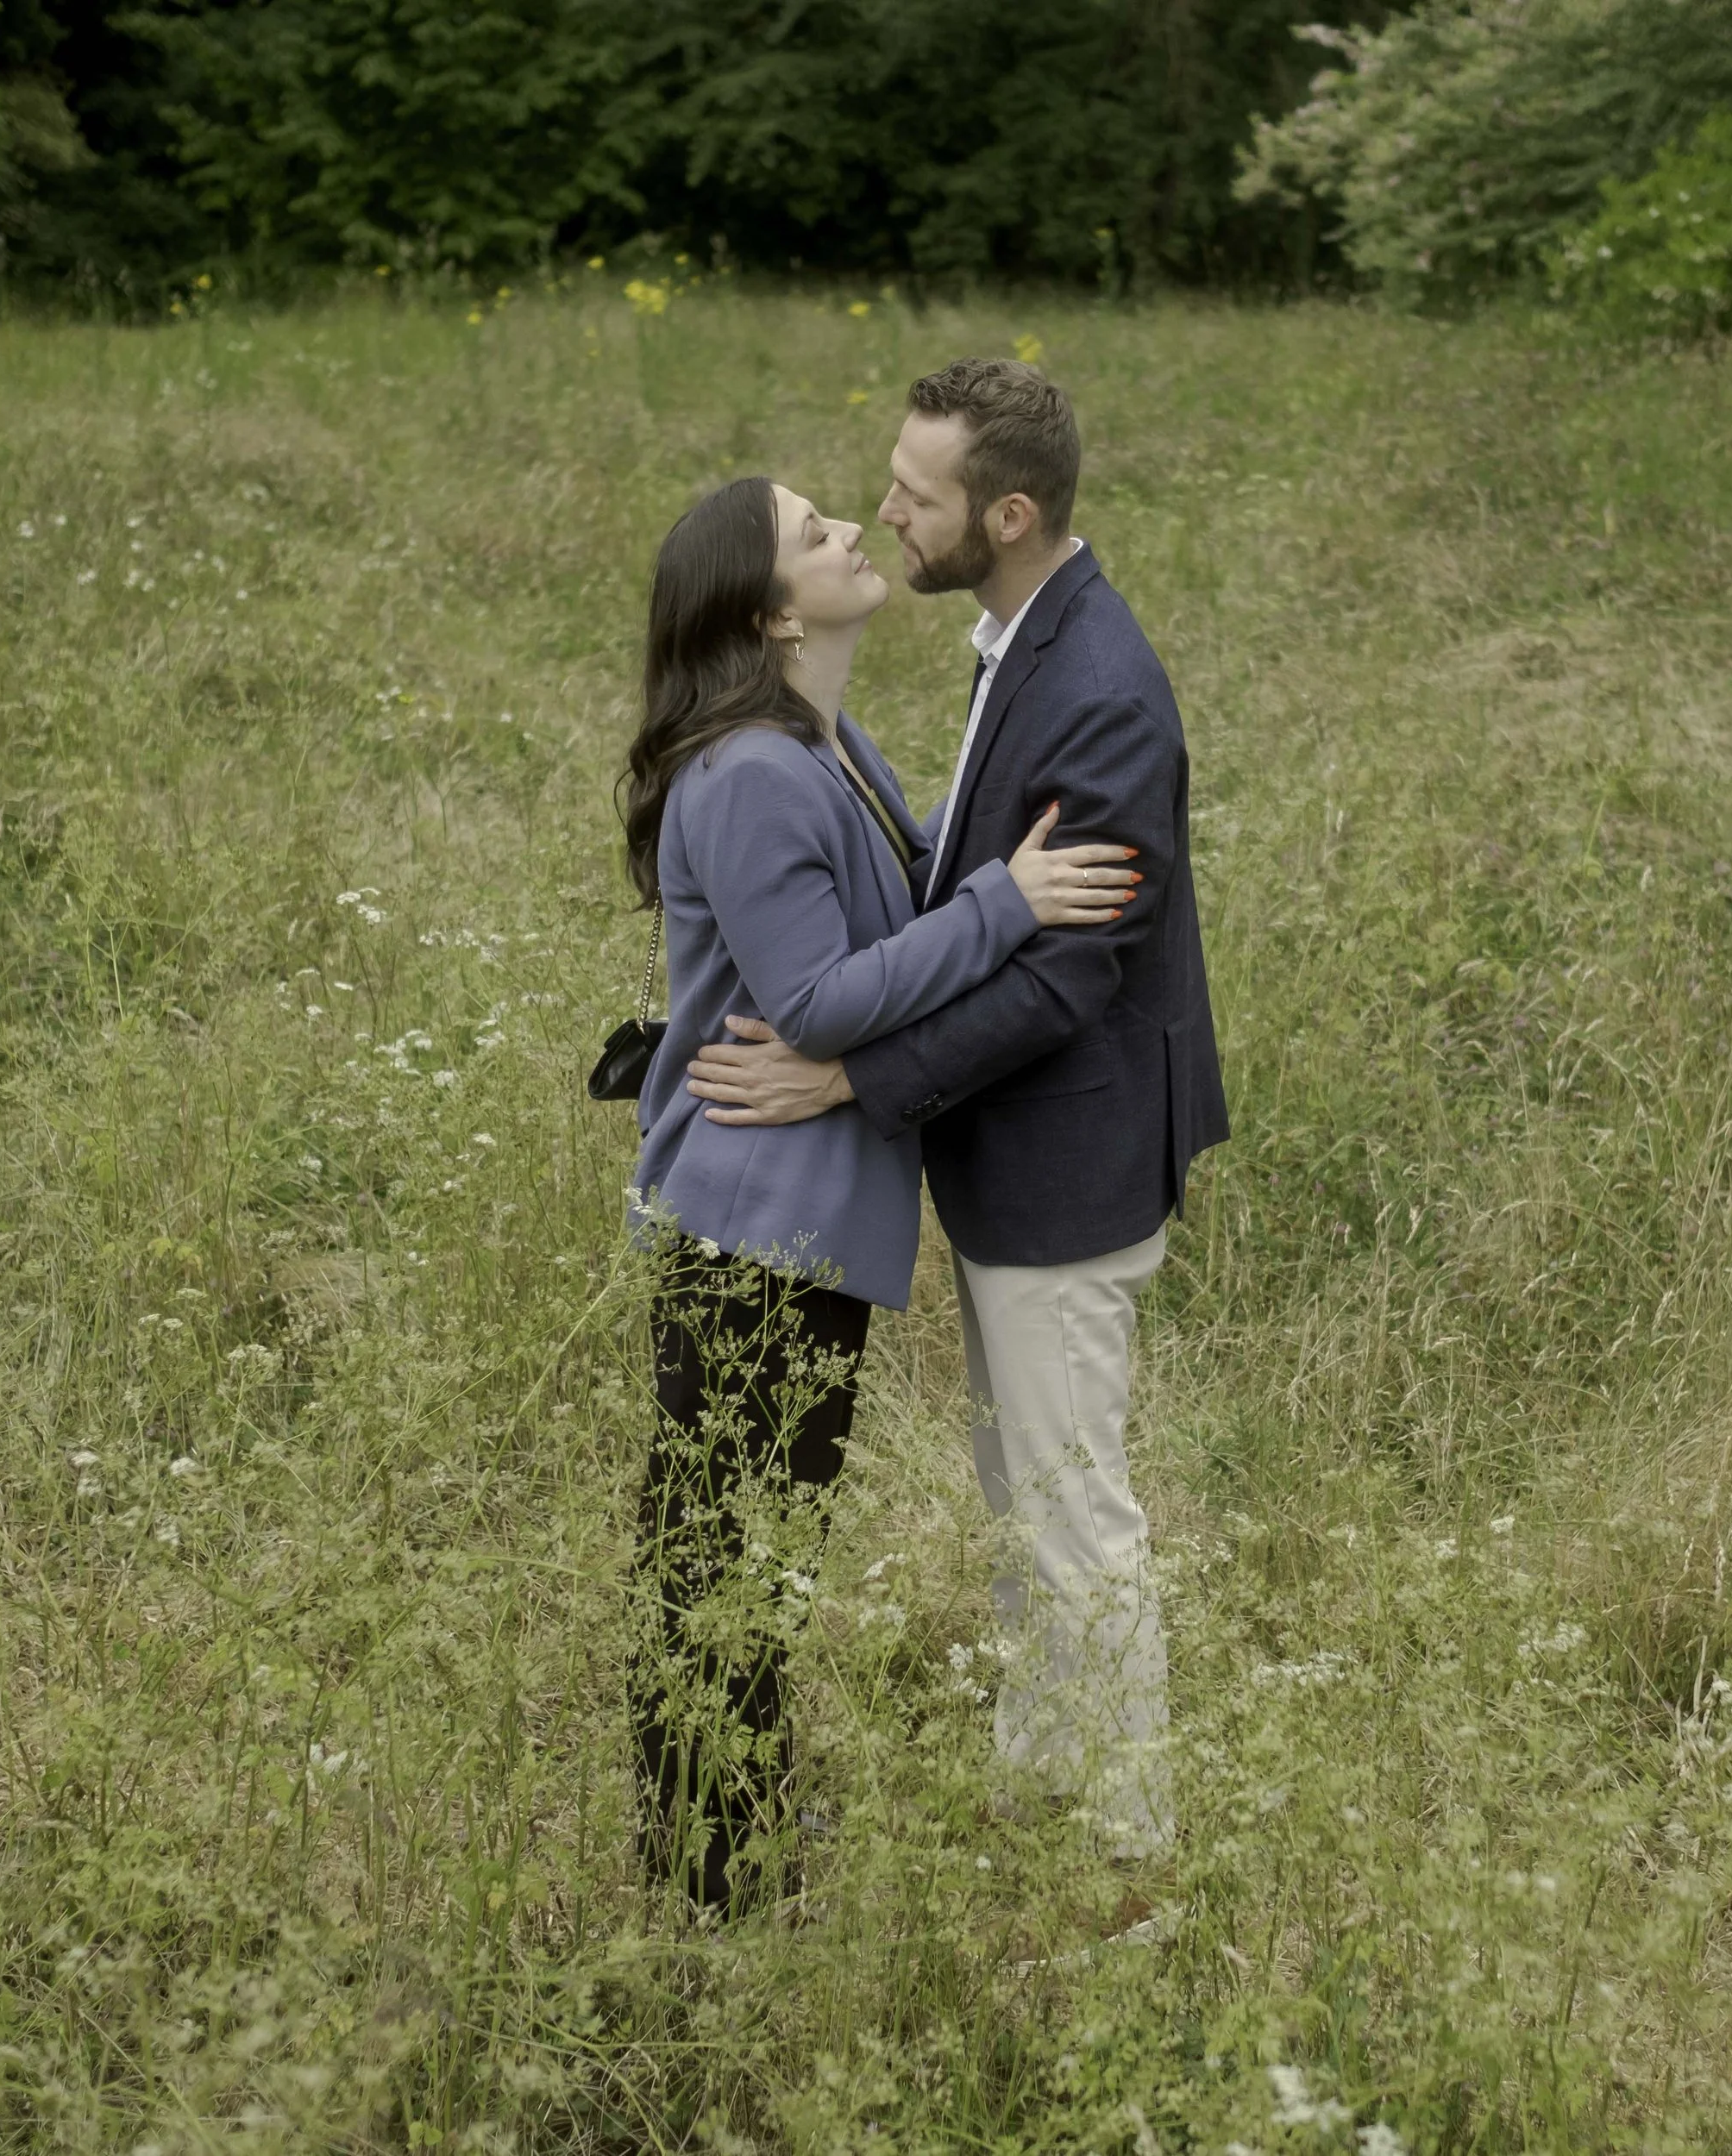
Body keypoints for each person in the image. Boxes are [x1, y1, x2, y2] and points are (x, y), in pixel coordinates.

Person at [684, 361, 1229, 1910]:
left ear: (1005, 513)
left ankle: (1129, 1850)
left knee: (1072, 1518)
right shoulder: (1018, 638)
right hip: (1016, 1167)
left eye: (917, 492)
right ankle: (1040, 1780)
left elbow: (1071, 974)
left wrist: (850, 1081)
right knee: (1026, 1504)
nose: (888, 510)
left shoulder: (1103, 688)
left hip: (1068, 1163)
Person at [621, 473, 1140, 1916]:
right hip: (750, 1228)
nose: (852, 531)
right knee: (722, 1571)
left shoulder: (826, 743)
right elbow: (816, 998)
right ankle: (707, 1893)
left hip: (798, 1223)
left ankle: (726, 1859)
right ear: (773, 611)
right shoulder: (753, 773)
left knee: (754, 1559)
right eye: (813, 533)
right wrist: (1010, 904)